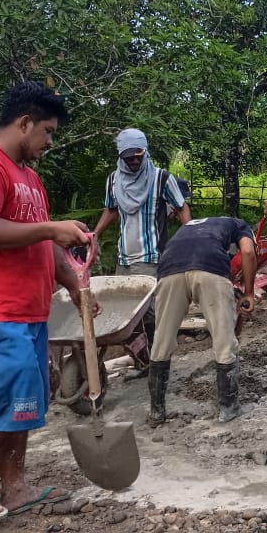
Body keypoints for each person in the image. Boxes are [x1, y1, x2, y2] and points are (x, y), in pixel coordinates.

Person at [0, 82, 98, 523]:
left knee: (29, 396)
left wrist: (71, 283)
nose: (50, 142)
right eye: (47, 131)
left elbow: (43, 245)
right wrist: (51, 229)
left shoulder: (29, 179)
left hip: (28, 306)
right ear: (24, 123)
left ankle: (14, 486)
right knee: (12, 391)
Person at [92, 128, 190, 371]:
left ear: (145, 151)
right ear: (121, 157)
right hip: (124, 257)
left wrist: (192, 238)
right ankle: (143, 361)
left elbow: (181, 208)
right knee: (124, 315)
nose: (135, 161)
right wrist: (94, 235)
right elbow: (112, 210)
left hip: (151, 257)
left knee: (149, 314)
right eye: (129, 157)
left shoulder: (161, 179)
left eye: (138, 155)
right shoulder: (114, 180)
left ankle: (159, 362)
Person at [149, 217, 257, 426]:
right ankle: (229, 407)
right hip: (210, 267)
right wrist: (250, 293)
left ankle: (156, 412)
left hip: (169, 269)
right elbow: (247, 252)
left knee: (161, 340)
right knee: (224, 340)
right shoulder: (240, 225)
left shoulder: (191, 226)